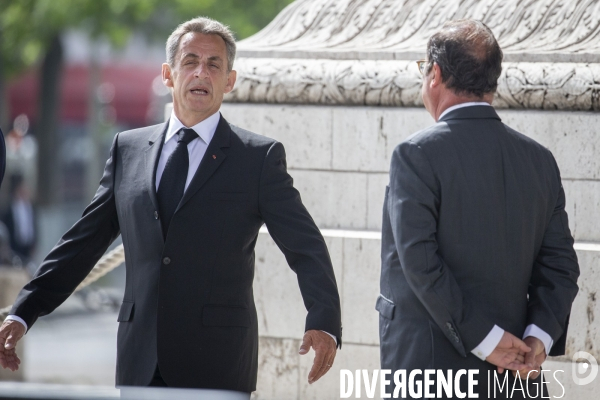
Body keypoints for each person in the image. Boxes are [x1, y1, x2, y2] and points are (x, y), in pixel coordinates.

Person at [0, 17, 342, 394]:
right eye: (190, 61)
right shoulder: (127, 149)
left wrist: (323, 320)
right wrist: (23, 311)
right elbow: (82, 243)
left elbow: (305, 244)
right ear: (168, 74)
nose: (201, 73)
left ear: (229, 80)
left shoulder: (257, 158)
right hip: (139, 361)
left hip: (217, 363)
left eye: (214, 65)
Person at [377, 19, 579, 398]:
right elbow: (562, 267)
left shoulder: (415, 154)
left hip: (431, 375)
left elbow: (420, 263)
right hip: (519, 377)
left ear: (434, 74)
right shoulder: (540, 160)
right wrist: (538, 338)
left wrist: (488, 341)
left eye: (424, 69)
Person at [2, 174, 37, 265]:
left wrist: (35, 243)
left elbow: (34, 226)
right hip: (14, 246)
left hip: (28, 246)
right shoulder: (10, 208)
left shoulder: (30, 207)